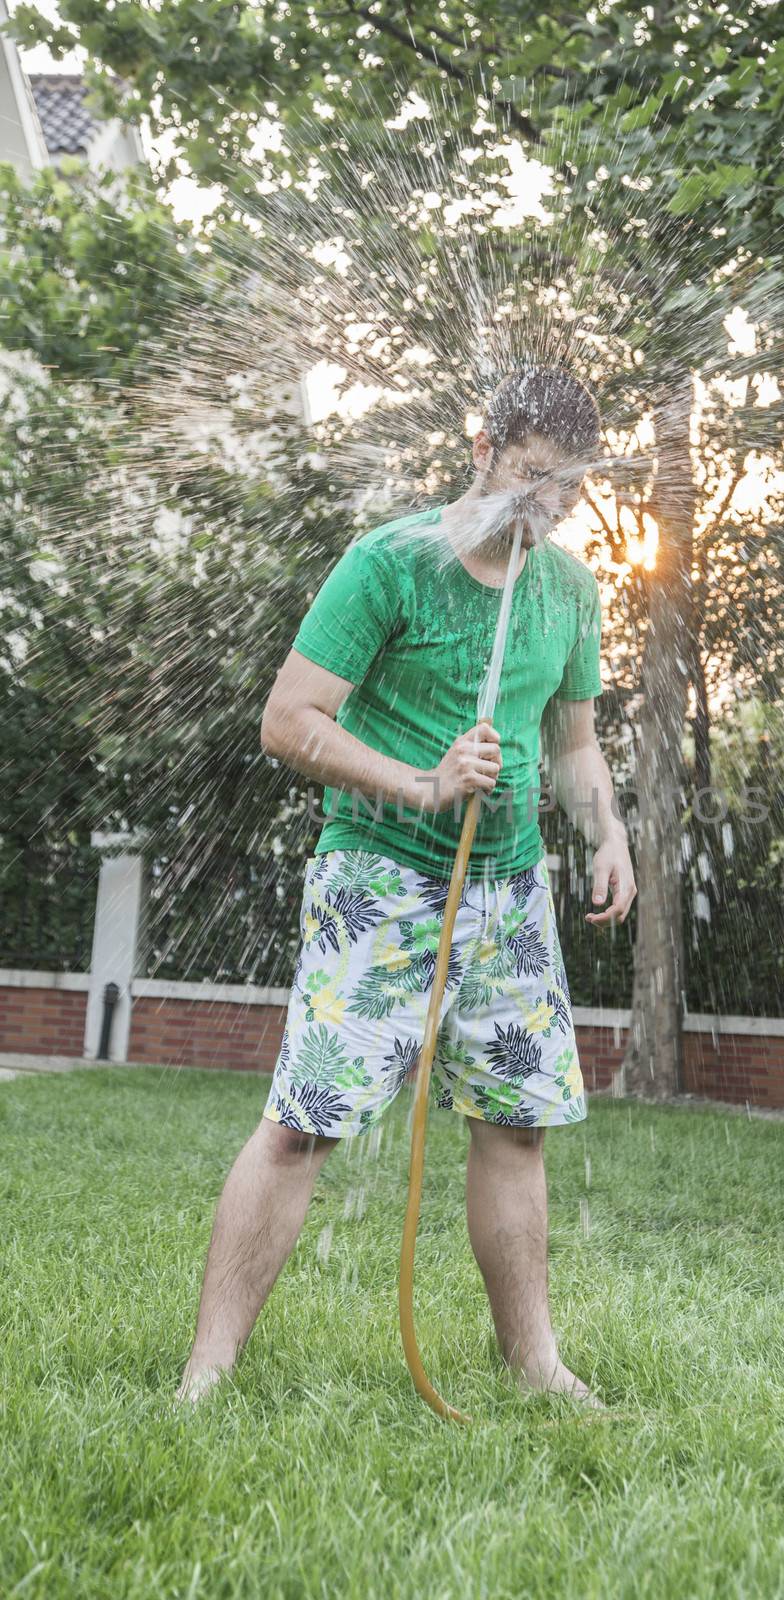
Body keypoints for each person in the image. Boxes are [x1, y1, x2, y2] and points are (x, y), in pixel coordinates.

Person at [177, 366, 636, 1407]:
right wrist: (421, 784)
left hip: (507, 890)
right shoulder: (389, 564)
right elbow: (288, 720)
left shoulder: (565, 588)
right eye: (529, 477)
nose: (547, 507)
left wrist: (607, 831)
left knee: (514, 1126)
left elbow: (573, 746)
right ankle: (207, 1370)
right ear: (481, 449)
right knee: (304, 1122)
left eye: (566, 488)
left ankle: (533, 1362)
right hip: (378, 876)